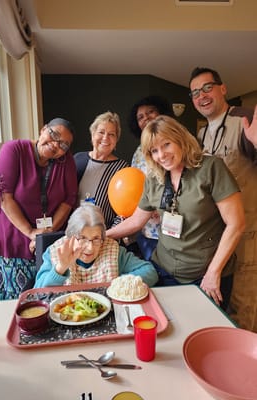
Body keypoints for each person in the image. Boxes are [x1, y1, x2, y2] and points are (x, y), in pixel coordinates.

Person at [106, 115, 245, 311]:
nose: (161, 155)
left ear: (180, 139)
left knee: (203, 333)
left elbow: (236, 224)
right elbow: (137, 220)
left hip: (205, 274)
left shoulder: (211, 167)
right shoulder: (154, 179)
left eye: (166, 145)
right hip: (164, 270)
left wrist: (213, 273)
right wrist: (102, 236)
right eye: (154, 150)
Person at [189, 67, 257, 331]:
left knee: (243, 311)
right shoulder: (201, 135)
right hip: (216, 239)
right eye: (195, 92)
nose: (202, 96)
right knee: (220, 310)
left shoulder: (246, 119)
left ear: (223, 88)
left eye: (207, 88)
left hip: (247, 238)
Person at [0, 118, 78, 300]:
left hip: (47, 239)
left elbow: (68, 200)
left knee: (46, 297)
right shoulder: (14, 150)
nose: (55, 145)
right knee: (17, 300)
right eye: (53, 135)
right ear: (43, 130)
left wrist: (46, 234)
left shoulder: (66, 160)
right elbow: (4, 197)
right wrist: (31, 233)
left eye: (63, 144)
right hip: (14, 237)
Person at [34, 204, 158, 288]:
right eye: (83, 239)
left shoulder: (113, 250)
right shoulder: (55, 252)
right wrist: (60, 269)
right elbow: (37, 292)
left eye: (96, 239)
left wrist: (118, 283)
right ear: (70, 236)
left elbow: (150, 272)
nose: (90, 248)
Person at [128, 95, 174, 260]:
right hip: (147, 228)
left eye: (150, 112)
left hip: (174, 227)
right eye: (140, 117)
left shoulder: (174, 145)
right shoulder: (138, 152)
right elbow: (135, 185)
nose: (145, 118)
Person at [74, 111, 129, 229]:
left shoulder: (122, 168)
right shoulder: (78, 159)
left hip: (104, 233)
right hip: (75, 231)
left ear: (116, 140)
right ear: (93, 134)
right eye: (101, 132)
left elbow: (124, 210)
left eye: (111, 134)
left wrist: (110, 234)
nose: (105, 138)